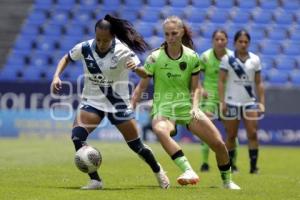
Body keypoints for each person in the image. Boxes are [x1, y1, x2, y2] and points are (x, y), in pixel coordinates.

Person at [50, 14, 170, 190]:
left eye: (105, 40)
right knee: (77, 137)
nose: (100, 43)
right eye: (98, 39)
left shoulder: (123, 50)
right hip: (92, 102)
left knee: (136, 146)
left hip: (118, 103)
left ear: (113, 37)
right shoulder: (84, 47)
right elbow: (66, 57)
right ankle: (95, 180)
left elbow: (146, 74)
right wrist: (56, 76)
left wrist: (137, 69)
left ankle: (158, 171)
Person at [130, 16, 240, 189]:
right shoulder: (154, 58)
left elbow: (196, 88)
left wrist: (195, 107)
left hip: (187, 108)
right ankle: (188, 170)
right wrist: (132, 105)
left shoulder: (192, 57)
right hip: (163, 108)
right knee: (160, 129)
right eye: (167, 34)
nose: (170, 37)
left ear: (181, 32)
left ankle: (227, 181)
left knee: (219, 144)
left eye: (174, 33)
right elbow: (141, 86)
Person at [218, 30, 265, 174]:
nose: (243, 44)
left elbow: (259, 83)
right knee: (231, 135)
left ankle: (253, 167)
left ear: (249, 43)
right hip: (231, 102)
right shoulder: (227, 59)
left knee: (253, 134)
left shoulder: (255, 59)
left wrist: (261, 101)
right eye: (240, 41)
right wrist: (222, 102)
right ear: (235, 43)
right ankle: (231, 166)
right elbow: (221, 81)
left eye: (246, 42)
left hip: (249, 103)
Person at [198, 29, 239, 173]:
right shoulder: (205, 56)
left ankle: (232, 164)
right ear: (213, 41)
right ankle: (204, 163)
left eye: (223, 39)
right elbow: (195, 76)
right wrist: (201, 88)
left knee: (231, 133)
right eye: (217, 39)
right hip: (209, 98)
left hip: (227, 98)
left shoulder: (232, 57)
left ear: (227, 41)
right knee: (206, 130)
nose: (220, 42)